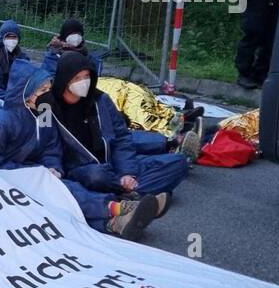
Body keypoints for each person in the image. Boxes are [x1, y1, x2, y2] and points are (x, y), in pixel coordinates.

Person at [0, 62, 160, 240]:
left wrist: (53, 167)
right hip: (8, 182)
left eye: (49, 90)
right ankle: (117, 210)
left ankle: (117, 220)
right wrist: (30, 173)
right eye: (43, 91)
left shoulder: (43, 114)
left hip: (36, 174)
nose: (49, 95)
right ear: (25, 94)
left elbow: (50, 148)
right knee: (61, 197)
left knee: (66, 190)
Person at [46, 52, 189, 202]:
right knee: (96, 176)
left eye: (87, 77)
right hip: (83, 169)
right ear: (65, 80)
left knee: (178, 162)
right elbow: (48, 147)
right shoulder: (50, 106)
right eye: (77, 78)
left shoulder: (100, 99)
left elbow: (122, 138)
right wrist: (55, 169)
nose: (83, 82)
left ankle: (130, 194)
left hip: (112, 163)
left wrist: (127, 173)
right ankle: (139, 193)